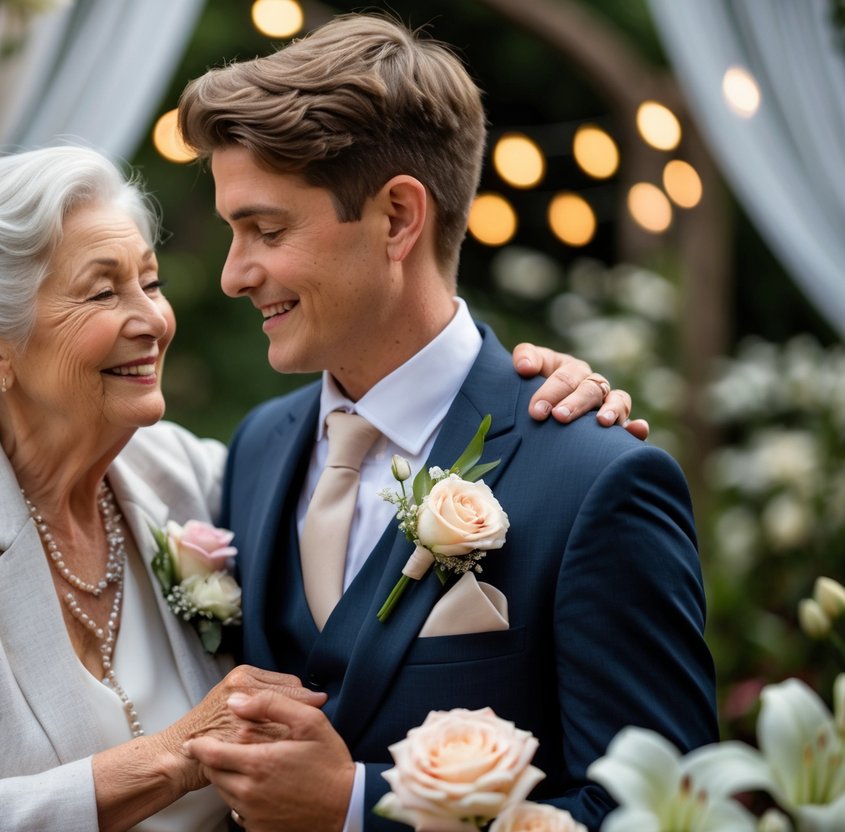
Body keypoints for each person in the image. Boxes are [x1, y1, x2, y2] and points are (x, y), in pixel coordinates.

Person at [0, 145, 637, 830]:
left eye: (149, 282)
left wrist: (526, 397)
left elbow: (374, 459)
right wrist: (172, 756)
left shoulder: (189, 472)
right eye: (102, 291)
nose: (152, 319)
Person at [177, 14, 718, 832]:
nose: (232, 274)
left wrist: (354, 808)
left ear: (398, 218)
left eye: (267, 230)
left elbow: (662, 813)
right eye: (232, 232)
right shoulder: (256, 448)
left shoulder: (594, 480)